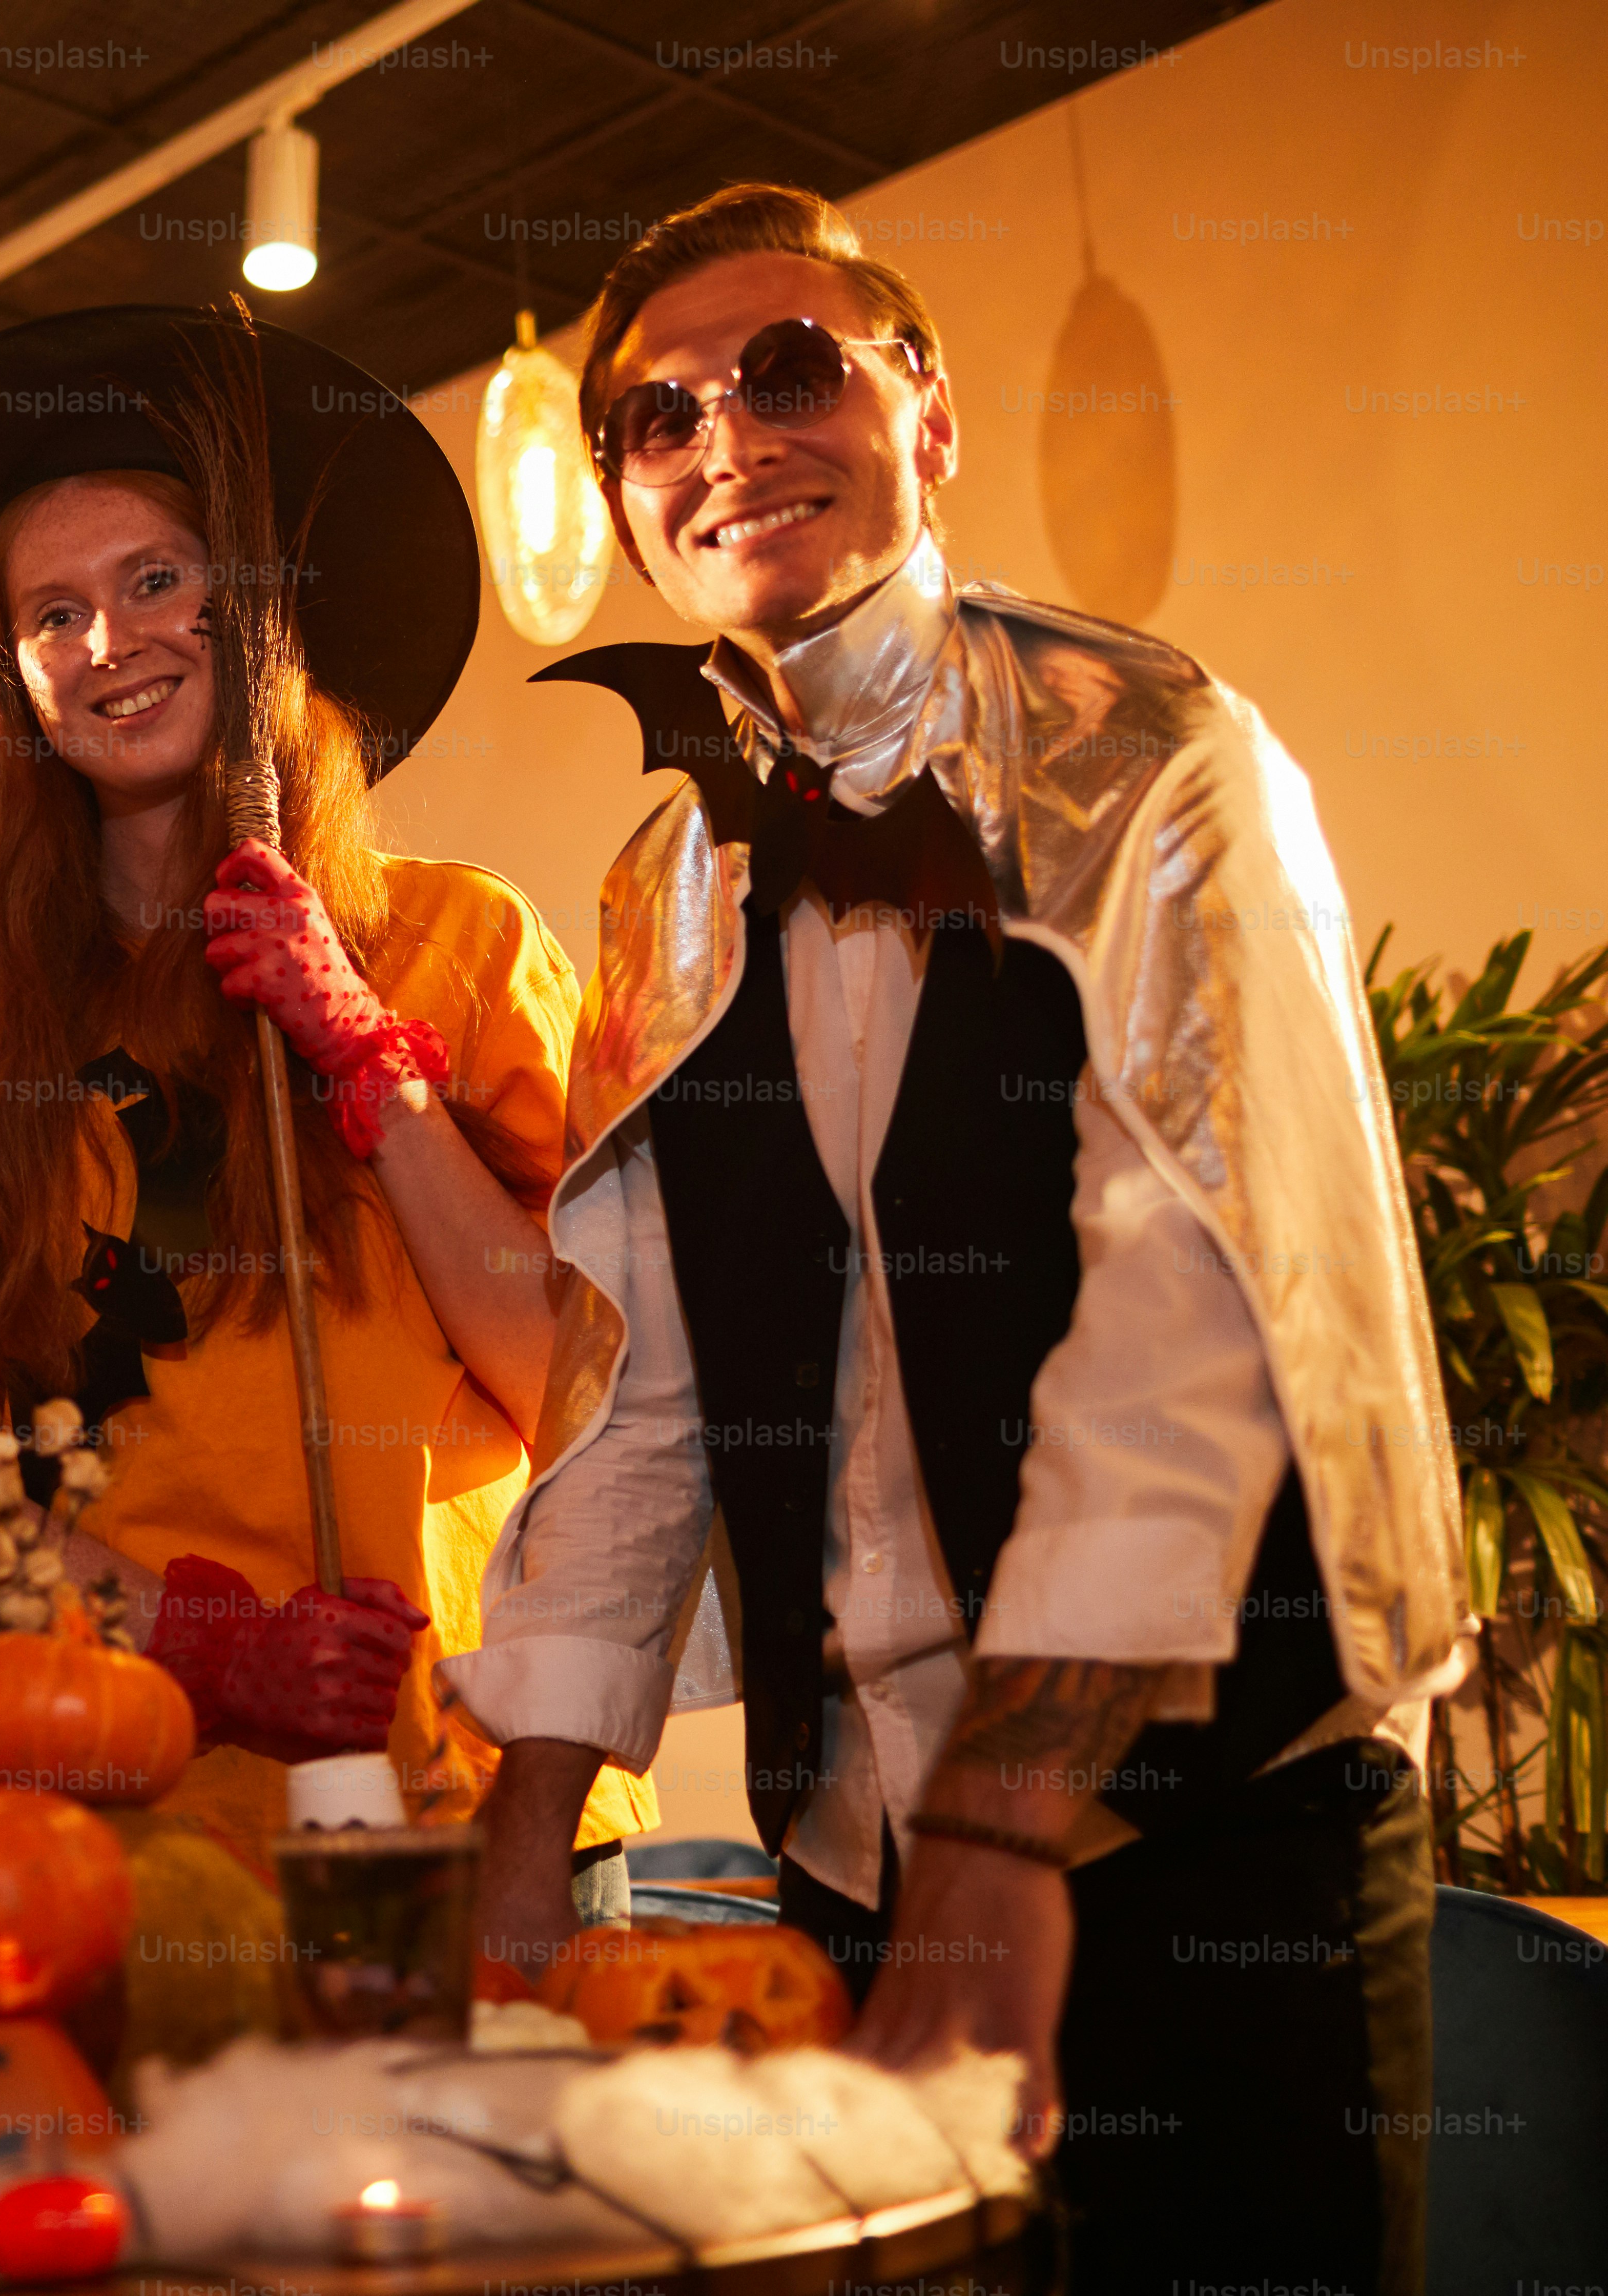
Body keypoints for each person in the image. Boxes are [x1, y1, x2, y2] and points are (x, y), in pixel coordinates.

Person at [444, 187, 1465, 2290]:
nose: (727, 435)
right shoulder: (667, 886)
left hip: (1208, 1839)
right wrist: (529, 1818)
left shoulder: (1160, 752)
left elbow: (1199, 1310)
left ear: (931, 414)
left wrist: (1009, 1826)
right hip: (856, 1859)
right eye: (658, 416)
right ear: (630, 504)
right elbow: (632, 1389)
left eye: (791, 371)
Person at [0, 303, 656, 1876]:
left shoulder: (458, 942)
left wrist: (370, 1068)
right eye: (50, 617)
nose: (108, 644)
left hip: (478, 1800)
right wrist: (208, 1642)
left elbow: (579, 1388)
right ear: (12, 679)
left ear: (255, 611)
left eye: (156, 580)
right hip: (120, 1820)